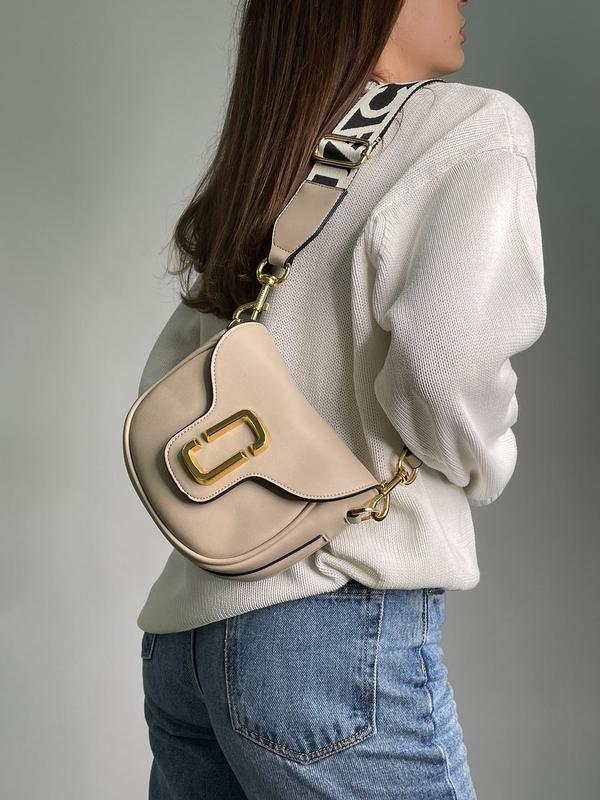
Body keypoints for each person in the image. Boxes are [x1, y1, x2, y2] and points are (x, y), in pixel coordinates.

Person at [136, 0, 547, 797]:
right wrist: (486, 457)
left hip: (186, 641)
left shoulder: (274, 155)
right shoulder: (474, 127)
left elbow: (170, 383)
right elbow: (444, 358)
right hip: (329, 627)